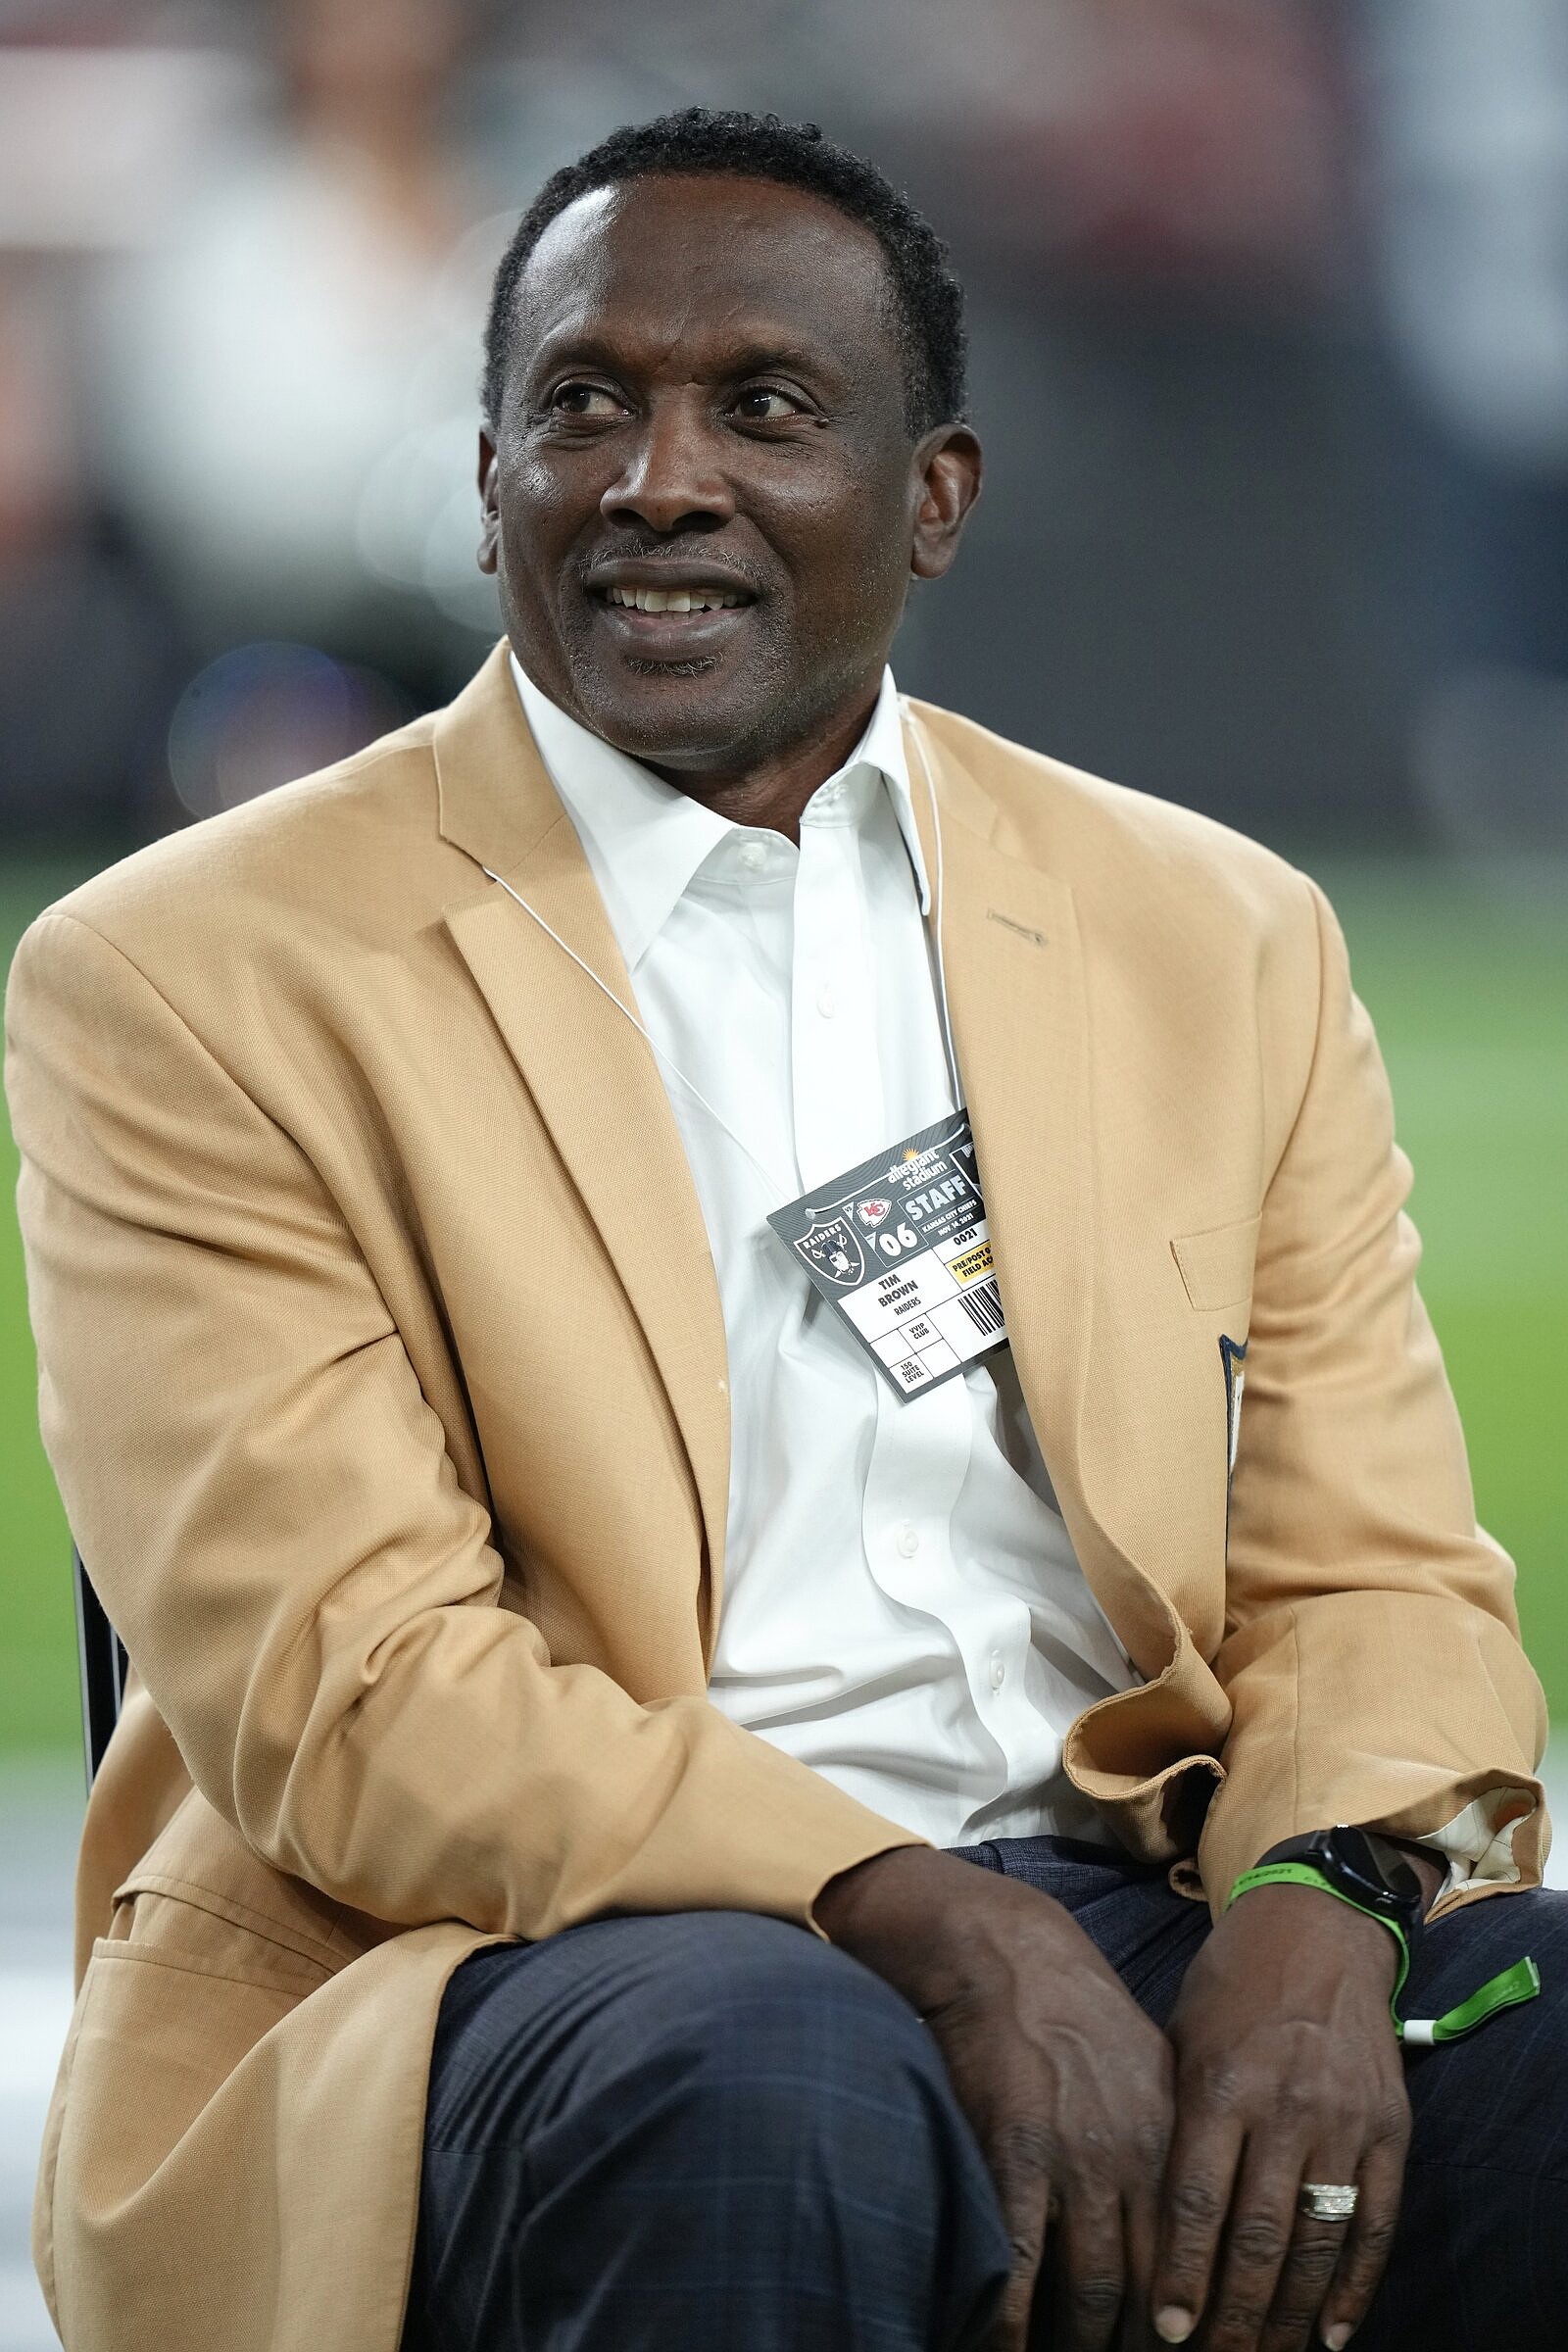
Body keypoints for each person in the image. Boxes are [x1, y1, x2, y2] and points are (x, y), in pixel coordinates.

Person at [7, 108, 1564, 2352]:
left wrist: (1324, 1907)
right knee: (776, 2077)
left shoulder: (1207, 932)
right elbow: (352, 1695)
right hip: (521, 1952)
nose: (659, 479)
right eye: (583, 407)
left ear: (931, 499)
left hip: (1117, 1891)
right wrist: (907, 1909)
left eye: (761, 408)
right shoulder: (193, 976)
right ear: (486, 484)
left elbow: (1372, 1571)